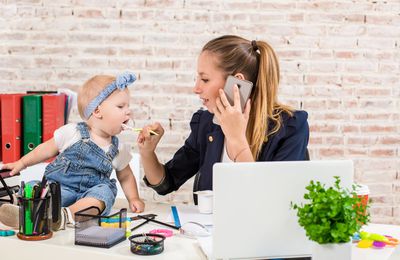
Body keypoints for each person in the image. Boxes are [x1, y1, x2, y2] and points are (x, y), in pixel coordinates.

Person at [137, 35, 309, 199]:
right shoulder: (206, 124)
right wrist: (147, 152)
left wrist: (237, 139)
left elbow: (271, 199)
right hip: (211, 228)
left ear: (236, 83)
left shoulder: (291, 127)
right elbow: (167, 183)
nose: (196, 88)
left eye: (204, 79)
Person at [0, 72, 144, 229]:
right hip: (59, 189)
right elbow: (44, 150)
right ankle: (18, 205)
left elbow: (126, 176)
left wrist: (134, 198)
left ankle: (63, 217)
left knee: (104, 194)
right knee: (37, 188)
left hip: (89, 196)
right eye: (121, 106)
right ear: (97, 111)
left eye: (128, 106)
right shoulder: (72, 132)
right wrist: (21, 163)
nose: (128, 111)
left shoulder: (119, 148)